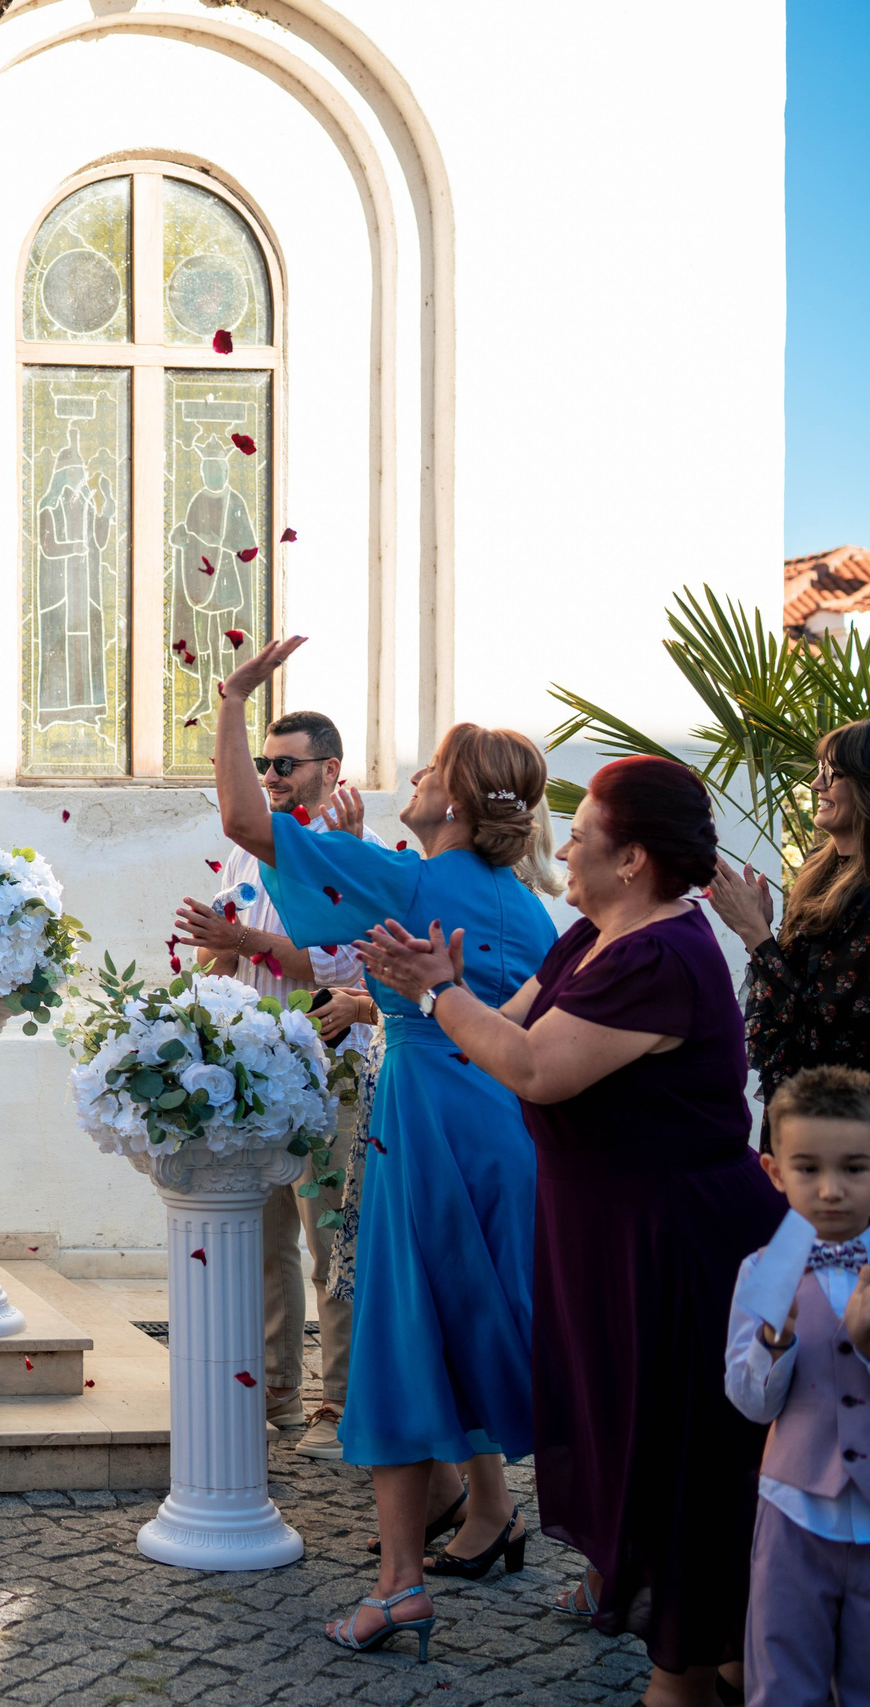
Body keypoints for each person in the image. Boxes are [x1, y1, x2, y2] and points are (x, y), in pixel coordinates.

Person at [356, 754, 783, 1707]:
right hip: (605, 1232)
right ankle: (718, 1660)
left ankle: (687, 1675)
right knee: (634, 1440)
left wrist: (437, 995)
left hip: (676, 1244)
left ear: (634, 858)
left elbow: (538, 1068)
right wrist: (442, 993)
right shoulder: (590, 937)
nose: (570, 842)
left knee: (681, 1457)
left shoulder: (663, 955)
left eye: (586, 830)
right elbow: (504, 1031)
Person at [210, 636, 558, 1663]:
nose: (407, 779)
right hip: (504, 1130)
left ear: (452, 804)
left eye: (426, 771)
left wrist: (231, 700)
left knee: (402, 1333)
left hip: (428, 1128)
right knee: (473, 1326)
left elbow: (242, 821)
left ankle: (400, 1582)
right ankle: (493, 1520)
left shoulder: (415, 886)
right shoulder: (522, 903)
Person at [171, 707, 381, 1458]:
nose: (269, 777)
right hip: (257, 1073)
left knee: (334, 1241)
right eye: (263, 765)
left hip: (335, 1068)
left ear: (330, 771)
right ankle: (277, 1393)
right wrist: (210, 963)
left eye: (284, 765)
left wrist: (248, 941)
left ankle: (343, 1405)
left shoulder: (354, 854)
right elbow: (229, 955)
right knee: (264, 1240)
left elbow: (345, 965)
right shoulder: (243, 856)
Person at [726, 1066, 870, 1706]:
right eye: (808, 1168)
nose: (832, 1190)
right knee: (784, 1677)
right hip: (793, 1512)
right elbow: (750, 1403)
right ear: (774, 1172)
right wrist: (774, 1343)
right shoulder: (762, 1271)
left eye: (856, 1168)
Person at [709, 717, 870, 1116]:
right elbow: (796, 992)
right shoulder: (820, 865)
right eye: (819, 772)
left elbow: (824, 1030)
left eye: (832, 773)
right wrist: (768, 934)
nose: (817, 785)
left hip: (842, 1118)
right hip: (799, 1101)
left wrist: (754, 933)